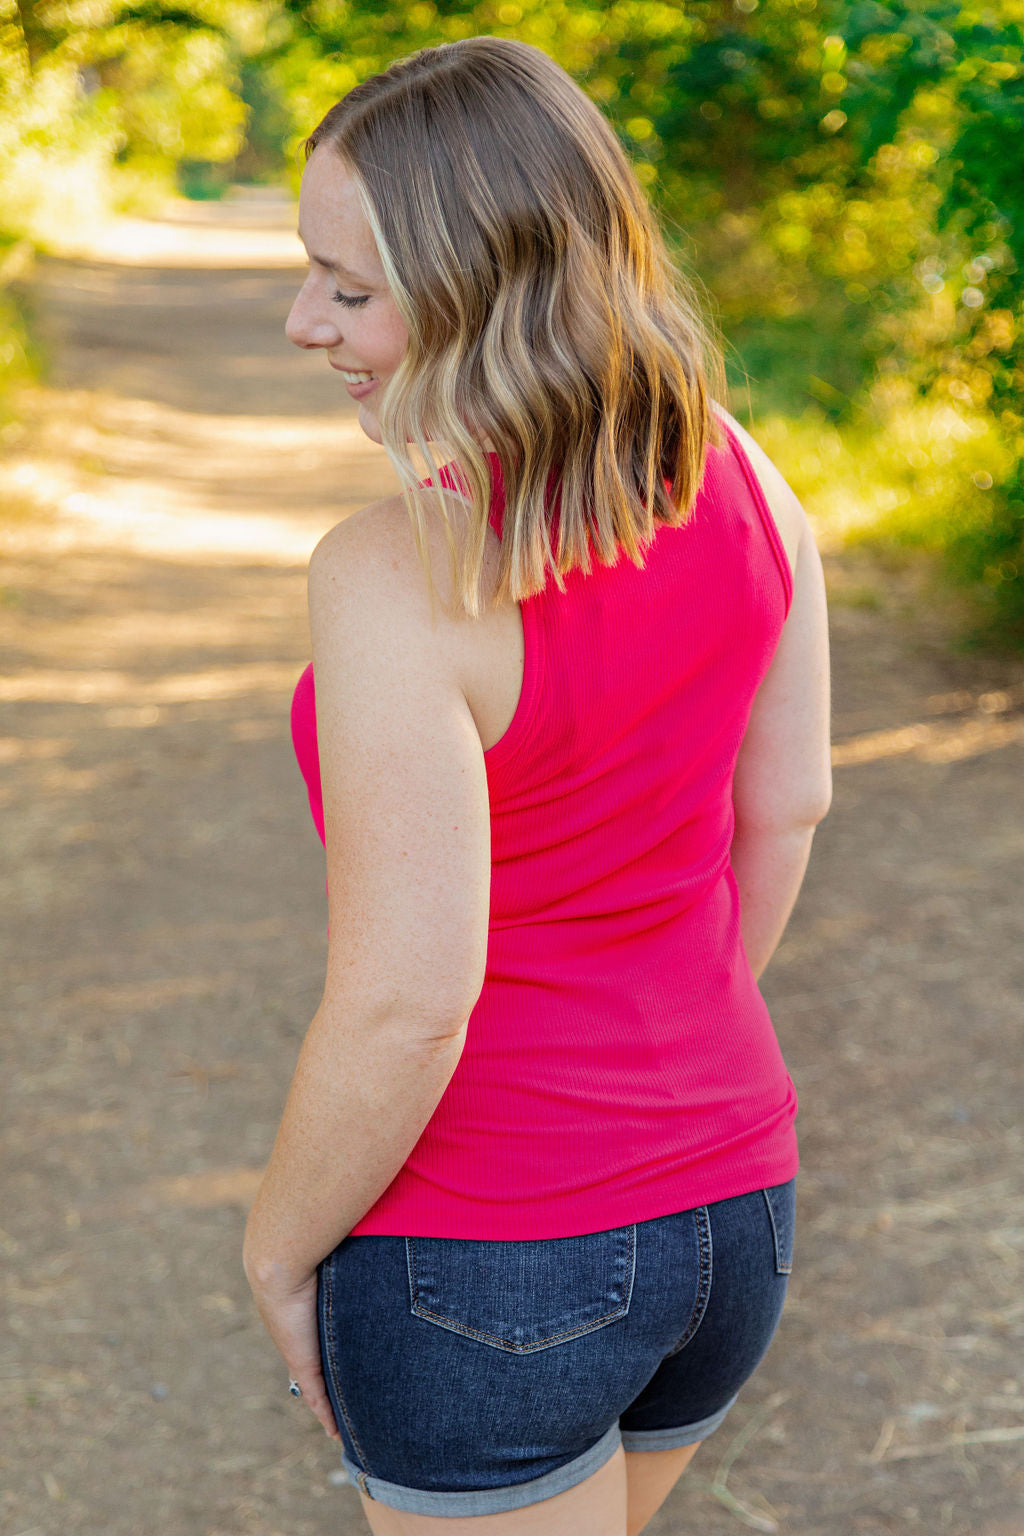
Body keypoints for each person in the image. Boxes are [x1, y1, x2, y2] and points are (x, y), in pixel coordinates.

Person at [242, 34, 832, 1536]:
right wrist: (664, 1072)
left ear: (489, 292)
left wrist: (274, 1246)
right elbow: (788, 812)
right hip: (733, 1214)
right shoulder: (750, 478)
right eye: (310, 270)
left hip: (491, 1250)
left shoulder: (398, 575)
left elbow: (407, 1003)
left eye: (351, 291)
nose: (302, 320)